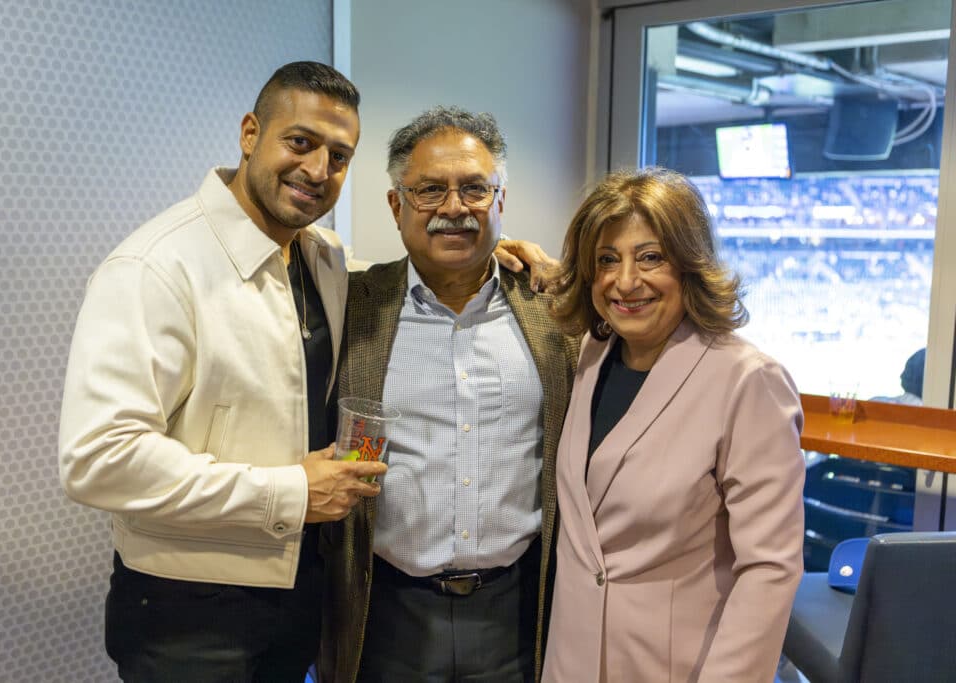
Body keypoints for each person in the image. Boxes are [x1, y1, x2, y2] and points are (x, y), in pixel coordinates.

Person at [57, 61, 388, 681]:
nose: (318, 171)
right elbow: (96, 458)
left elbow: (389, 286)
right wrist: (289, 491)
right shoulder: (155, 267)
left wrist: (483, 260)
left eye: (339, 156)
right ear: (248, 133)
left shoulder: (322, 256)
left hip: (297, 595)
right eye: (300, 142)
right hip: (188, 615)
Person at [318, 106, 578, 683]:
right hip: (384, 613)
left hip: (518, 610)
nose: (454, 208)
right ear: (396, 205)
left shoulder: (554, 312)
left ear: (500, 201)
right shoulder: (352, 305)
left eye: (475, 189)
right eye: (430, 190)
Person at [543, 168, 805, 682]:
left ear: (690, 264)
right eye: (607, 260)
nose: (625, 281)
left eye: (650, 257)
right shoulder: (591, 354)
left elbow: (770, 570)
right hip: (571, 663)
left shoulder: (747, 381)